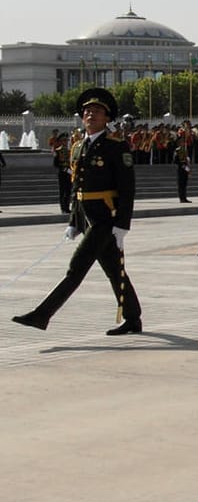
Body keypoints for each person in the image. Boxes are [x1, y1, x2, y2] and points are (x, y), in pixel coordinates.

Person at [12, 87, 143, 335]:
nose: (91, 115)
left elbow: (127, 187)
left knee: (76, 268)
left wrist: (123, 224)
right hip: (86, 217)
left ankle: (42, 315)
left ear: (107, 118)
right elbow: (76, 187)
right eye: (87, 111)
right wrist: (74, 220)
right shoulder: (78, 146)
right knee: (115, 270)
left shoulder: (116, 146)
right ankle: (133, 318)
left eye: (97, 111)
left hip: (106, 218)